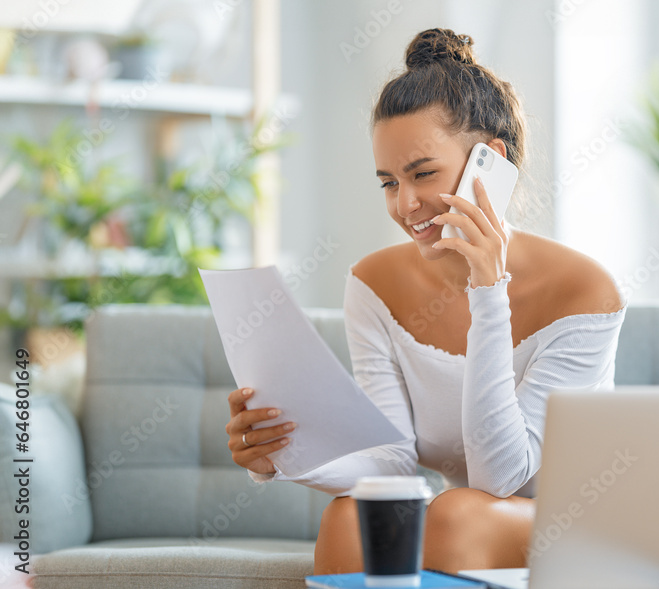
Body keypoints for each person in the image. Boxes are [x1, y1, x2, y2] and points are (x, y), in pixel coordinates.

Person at [224, 28, 627, 575]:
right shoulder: (374, 283)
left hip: (576, 526)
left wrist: (488, 291)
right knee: (349, 517)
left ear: (492, 162)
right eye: (388, 182)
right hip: (458, 522)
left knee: (460, 510)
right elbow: (392, 461)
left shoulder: (585, 291)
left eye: (423, 174)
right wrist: (282, 457)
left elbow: (500, 477)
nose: (406, 205)